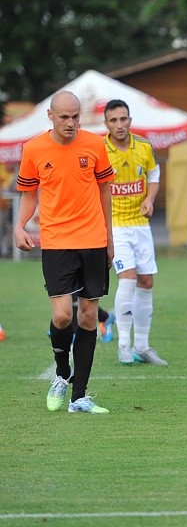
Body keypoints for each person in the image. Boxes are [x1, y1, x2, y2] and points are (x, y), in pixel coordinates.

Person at [14, 91, 115, 414]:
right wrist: (20, 225)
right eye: (64, 117)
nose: (71, 123)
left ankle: (79, 397)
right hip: (56, 240)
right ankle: (61, 373)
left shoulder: (96, 145)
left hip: (93, 240)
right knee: (62, 315)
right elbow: (29, 193)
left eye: (75, 117)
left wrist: (109, 239)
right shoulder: (33, 149)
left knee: (88, 316)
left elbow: (103, 190)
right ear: (51, 116)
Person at [103, 99, 167, 366]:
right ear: (106, 124)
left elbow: (153, 174)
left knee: (146, 282)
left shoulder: (143, 146)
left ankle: (142, 346)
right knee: (127, 279)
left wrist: (150, 199)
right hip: (115, 225)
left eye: (123, 119)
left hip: (140, 225)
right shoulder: (100, 149)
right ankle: (124, 346)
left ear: (130, 120)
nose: (119, 124)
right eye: (114, 120)